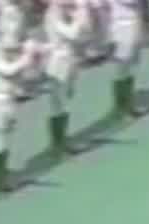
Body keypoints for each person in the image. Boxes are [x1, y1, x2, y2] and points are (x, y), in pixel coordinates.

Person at [0, 5, 45, 192]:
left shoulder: (12, 51)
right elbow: (8, 70)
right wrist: (27, 57)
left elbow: (29, 75)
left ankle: (2, 172)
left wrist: (36, 57)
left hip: (9, 100)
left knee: (5, 138)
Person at [43, 0, 92, 154]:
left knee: (66, 100)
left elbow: (85, 33)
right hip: (58, 63)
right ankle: (58, 144)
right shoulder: (53, 16)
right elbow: (73, 34)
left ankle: (61, 140)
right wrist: (80, 14)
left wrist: (81, 15)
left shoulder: (66, 13)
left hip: (70, 60)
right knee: (59, 104)